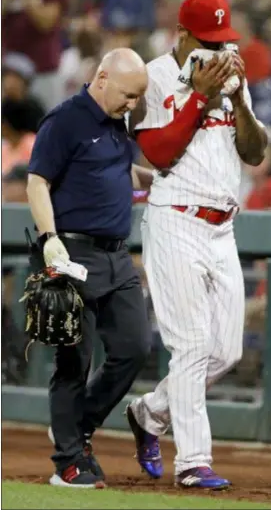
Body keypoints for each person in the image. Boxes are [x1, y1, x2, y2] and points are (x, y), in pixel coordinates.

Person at [127, 0, 267, 489]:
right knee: (189, 347)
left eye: (223, 40)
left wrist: (236, 101)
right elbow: (158, 152)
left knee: (224, 353)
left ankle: (149, 412)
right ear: (182, 35)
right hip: (174, 221)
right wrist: (201, 99)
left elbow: (254, 152)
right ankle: (192, 463)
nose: (216, 49)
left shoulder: (230, 76)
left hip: (221, 228)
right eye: (207, 40)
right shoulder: (153, 76)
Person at [26, 48, 152, 489]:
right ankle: (68, 462)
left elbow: (117, 172)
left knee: (135, 345)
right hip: (72, 254)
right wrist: (50, 240)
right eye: (128, 95)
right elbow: (37, 180)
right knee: (73, 360)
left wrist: (158, 180)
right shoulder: (65, 120)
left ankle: (77, 425)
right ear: (101, 78)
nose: (132, 105)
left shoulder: (117, 124)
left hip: (117, 257)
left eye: (138, 98)